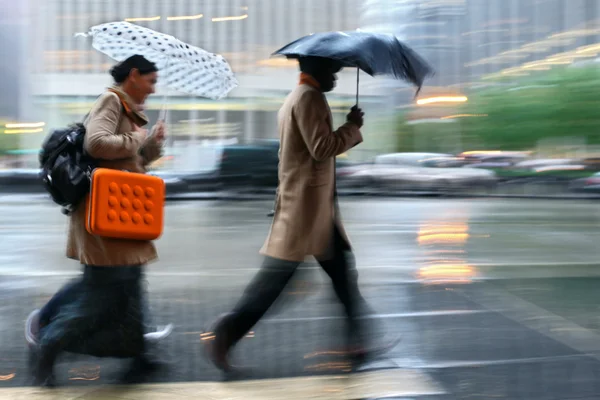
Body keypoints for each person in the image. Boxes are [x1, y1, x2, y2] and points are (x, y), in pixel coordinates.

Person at [204, 56, 398, 374]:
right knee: (273, 284)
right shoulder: (308, 98)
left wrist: (347, 126)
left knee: (343, 277)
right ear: (317, 70)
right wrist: (352, 128)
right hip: (305, 212)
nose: (336, 76)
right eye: (332, 70)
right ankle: (227, 331)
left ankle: (357, 344)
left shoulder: (301, 97)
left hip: (314, 209)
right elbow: (321, 147)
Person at [28, 55, 172, 387]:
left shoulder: (129, 112)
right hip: (108, 216)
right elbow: (97, 144)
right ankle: (50, 344)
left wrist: (153, 145)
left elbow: (131, 162)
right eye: (150, 81)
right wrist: (138, 138)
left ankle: (140, 358)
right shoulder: (111, 100)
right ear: (133, 75)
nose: (153, 89)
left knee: (130, 291)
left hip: (126, 215)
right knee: (102, 295)